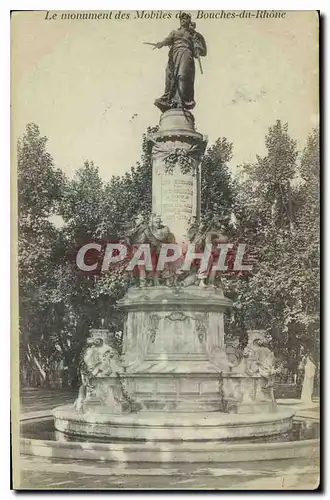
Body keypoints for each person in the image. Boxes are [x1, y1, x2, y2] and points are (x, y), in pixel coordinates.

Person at [153, 12, 207, 112]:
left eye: (185, 19)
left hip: (186, 54)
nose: (183, 21)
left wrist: (198, 49)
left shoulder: (193, 34)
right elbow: (167, 40)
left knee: (182, 76)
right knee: (171, 78)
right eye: (181, 19)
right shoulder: (174, 32)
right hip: (174, 55)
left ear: (189, 20)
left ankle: (182, 101)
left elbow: (199, 47)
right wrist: (161, 44)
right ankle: (169, 101)